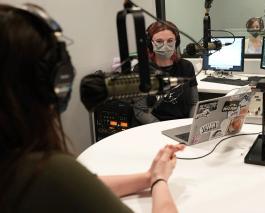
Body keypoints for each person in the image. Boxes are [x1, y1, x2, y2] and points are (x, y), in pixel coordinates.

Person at [0, 4, 184, 213]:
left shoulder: (13, 165)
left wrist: (148, 176)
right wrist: (160, 182)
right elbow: (65, 184)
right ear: (58, 81)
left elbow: (81, 186)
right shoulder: (42, 170)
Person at [133, 21, 199, 124]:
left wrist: (190, 126)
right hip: (154, 127)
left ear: (176, 42)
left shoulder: (186, 67)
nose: (165, 46)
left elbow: (194, 103)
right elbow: (140, 111)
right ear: (150, 43)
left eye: (170, 41)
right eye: (159, 41)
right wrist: (163, 130)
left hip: (182, 125)